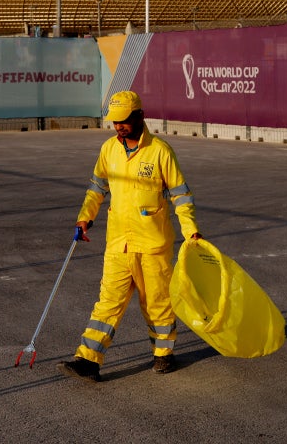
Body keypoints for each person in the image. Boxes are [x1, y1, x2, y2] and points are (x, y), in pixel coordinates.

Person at [57, 90, 202, 382]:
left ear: (139, 116)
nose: (119, 126)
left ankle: (163, 354)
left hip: (153, 246)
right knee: (107, 302)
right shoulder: (109, 150)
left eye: (124, 120)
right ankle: (88, 360)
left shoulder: (160, 151)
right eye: (115, 121)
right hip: (118, 244)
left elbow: (181, 196)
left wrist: (190, 231)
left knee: (157, 304)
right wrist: (85, 217)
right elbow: (96, 188)